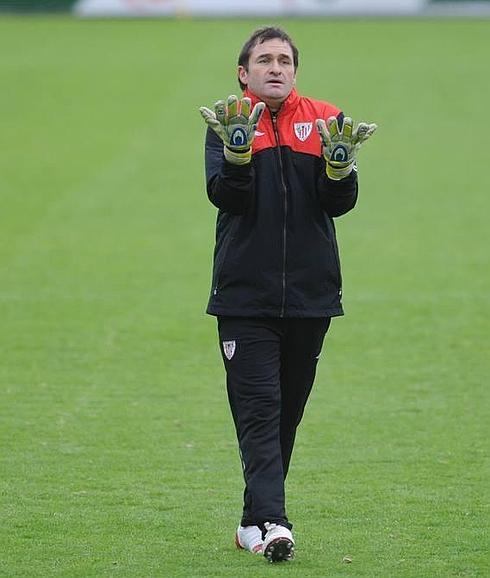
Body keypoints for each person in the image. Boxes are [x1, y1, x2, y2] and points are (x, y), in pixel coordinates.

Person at [199, 26, 377, 563]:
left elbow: (338, 203)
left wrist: (341, 167)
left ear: (295, 71)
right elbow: (223, 197)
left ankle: (252, 523)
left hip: (310, 296)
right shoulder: (230, 121)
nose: (275, 67)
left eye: (284, 60)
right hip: (243, 299)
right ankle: (276, 523)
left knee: (284, 417)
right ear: (243, 72)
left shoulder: (324, 118)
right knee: (259, 410)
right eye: (264, 60)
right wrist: (236, 155)